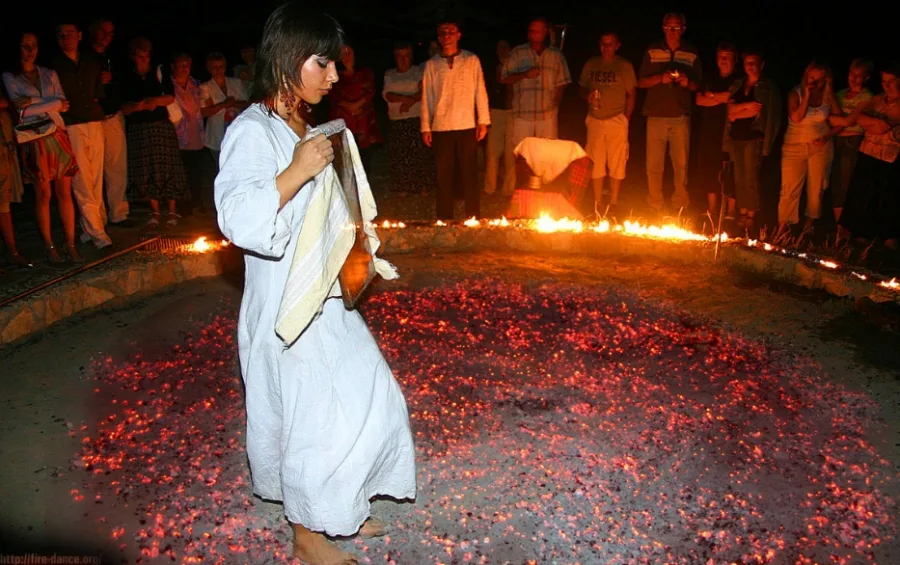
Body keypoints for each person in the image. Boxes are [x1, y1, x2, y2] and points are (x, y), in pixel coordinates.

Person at [213, 5, 416, 564]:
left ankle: (342, 503)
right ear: (288, 58)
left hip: (326, 299)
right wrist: (297, 170)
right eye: (323, 63)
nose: (334, 75)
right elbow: (238, 218)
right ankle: (308, 533)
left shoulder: (304, 125)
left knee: (370, 394)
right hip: (287, 307)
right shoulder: (251, 131)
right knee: (315, 419)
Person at [3, 32, 81, 263]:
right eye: (25, 46)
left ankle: (70, 244)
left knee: (64, 192)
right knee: (44, 194)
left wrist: (33, 101)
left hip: (57, 134)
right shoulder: (10, 76)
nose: (30, 50)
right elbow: (21, 110)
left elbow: (64, 104)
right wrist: (50, 103)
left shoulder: (49, 73)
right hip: (35, 137)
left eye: (34, 45)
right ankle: (49, 246)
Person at [51, 21, 113, 249]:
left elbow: (97, 93)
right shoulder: (54, 66)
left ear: (79, 35)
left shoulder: (91, 61)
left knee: (96, 177)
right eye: (61, 34)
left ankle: (92, 226)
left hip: (94, 121)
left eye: (69, 33)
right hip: (72, 124)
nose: (65, 37)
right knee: (82, 179)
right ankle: (98, 233)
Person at [421, 19, 490, 219]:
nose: (447, 36)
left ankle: (473, 215)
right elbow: (427, 96)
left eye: (451, 31)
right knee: (443, 175)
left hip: (466, 123)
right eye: (443, 32)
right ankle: (444, 217)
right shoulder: (432, 65)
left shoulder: (471, 60)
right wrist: (426, 126)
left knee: (469, 172)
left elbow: (480, 90)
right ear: (439, 37)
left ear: (459, 35)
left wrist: (483, 120)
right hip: (441, 126)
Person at [120, 37, 189, 227]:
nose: (143, 59)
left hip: (160, 126)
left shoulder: (158, 72)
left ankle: (172, 212)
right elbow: (124, 107)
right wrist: (139, 106)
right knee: (147, 170)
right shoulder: (128, 77)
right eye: (139, 56)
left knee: (168, 168)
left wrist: (153, 101)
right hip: (139, 129)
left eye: (146, 56)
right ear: (133, 57)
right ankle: (155, 212)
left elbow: (169, 97)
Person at [637, 12, 701, 215]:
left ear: (683, 29)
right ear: (663, 28)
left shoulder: (691, 53)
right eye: (668, 27)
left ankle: (680, 205)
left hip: (680, 116)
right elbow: (640, 82)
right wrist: (660, 78)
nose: (672, 31)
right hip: (655, 115)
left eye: (676, 27)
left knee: (681, 164)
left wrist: (687, 82)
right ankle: (655, 203)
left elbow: (698, 85)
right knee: (653, 164)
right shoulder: (652, 50)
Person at [838, 63, 900, 248]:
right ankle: (862, 232)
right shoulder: (878, 99)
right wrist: (875, 122)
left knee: (889, 196)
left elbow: (891, 131)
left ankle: (889, 235)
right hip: (868, 152)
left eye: (891, 81)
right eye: (884, 81)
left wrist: (880, 126)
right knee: (865, 194)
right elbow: (861, 118)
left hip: (892, 157)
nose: (886, 85)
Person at [777, 60, 840, 232]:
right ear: (806, 75)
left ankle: (809, 225)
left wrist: (826, 137)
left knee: (816, 188)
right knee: (789, 187)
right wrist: (806, 96)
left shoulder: (828, 96)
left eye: (819, 79)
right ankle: (784, 226)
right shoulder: (795, 93)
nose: (814, 82)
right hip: (794, 146)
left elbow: (841, 121)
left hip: (820, 147)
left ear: (825, 80)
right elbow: (796, 118)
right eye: (811, 77)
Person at [724, 48, 781, 234]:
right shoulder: (738, 84)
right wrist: (745, 106)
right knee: (739, 176)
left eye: (753, 63)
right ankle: (742, 212)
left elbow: (761, 112)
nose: (749, 66)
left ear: (761, 65)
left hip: (753, 137)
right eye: (747, 63)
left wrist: (739, 111)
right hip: (736, 136)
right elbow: (729, 111)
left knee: (751, 177)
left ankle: (751, 215)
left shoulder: (767, 87)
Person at [578, 31, 636, 215]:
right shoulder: (592, 64)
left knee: (617, 160)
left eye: (610, 44)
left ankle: (614, 203)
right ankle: (598, 202)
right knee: (595, 160)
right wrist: (587, 96)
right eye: (603, 43)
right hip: (595, 118)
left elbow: (631, 94)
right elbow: (582, 87)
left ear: (617, 46)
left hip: (616, 118)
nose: (606, 47)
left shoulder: (624, 66)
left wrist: (626, 118)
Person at [501, 17, 571, 149]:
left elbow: (563, 82)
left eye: (536, 30)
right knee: (522, 153)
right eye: (530, 30)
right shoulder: (517, 53)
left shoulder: (556, 55)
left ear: (545, 32)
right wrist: (524, 74)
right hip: (523, 114)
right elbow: (504, 78)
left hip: (547, 115)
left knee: (546, 153)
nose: (533, 33)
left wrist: (555, 104)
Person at [88, 18, 132, 227]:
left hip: (113, 115)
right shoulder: (84, 56)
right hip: (92, 119)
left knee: (117, 166)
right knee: (94, 171)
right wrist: (97, 80)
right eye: (102, 31)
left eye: (111, 32)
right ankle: (97, 218)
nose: (107, 37)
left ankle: (119, 213)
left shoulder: (115, 56)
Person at [829, 58, 873, 236]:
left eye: (858, 76)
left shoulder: (867, 97)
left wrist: (839, 121)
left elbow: (850, 120)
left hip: (852, 141)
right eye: (851, 74)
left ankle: (845, 228)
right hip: (836, 141)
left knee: (846, 184)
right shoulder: (840, 94)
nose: (853, 79)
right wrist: (840, 120)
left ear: (866, 78)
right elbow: (829, 117)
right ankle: (838, 227)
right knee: (835, 183)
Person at [695, 43, 738, 223]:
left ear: (734, 59)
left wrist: (711, 96)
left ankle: (730, 212)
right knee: (709, 168)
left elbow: (730, 97)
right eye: (721, 56)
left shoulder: (738, 79)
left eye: (727, 56)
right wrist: (719, 97)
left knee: (730, 170)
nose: (724, 60)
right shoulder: (710, 77)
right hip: (710, 129)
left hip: (729, 131)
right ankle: (711, 210)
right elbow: (699, 100)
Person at [383, 41, 433, 193]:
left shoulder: (418, 71)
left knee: (418, 154)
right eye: (400, 56)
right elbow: (387, 95)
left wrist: (411, 101)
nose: (403, 60)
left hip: (415, 118)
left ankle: (421, 186)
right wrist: (407, 99)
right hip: (397, 120)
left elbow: (424, 91)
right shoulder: (390, 74)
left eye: (406, 56)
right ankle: (403, 186)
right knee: (400, 154)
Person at [329, 44, 382, 172]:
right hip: (343, 123)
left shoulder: (365, 73)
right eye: (343, 54)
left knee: (364, 161)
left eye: (349, 53)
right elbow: (333, 95)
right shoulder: (335, 75)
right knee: (345, 162)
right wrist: (349, 106)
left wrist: (357, 105)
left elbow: (370, 91)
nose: (346, 57)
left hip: (363, 123)